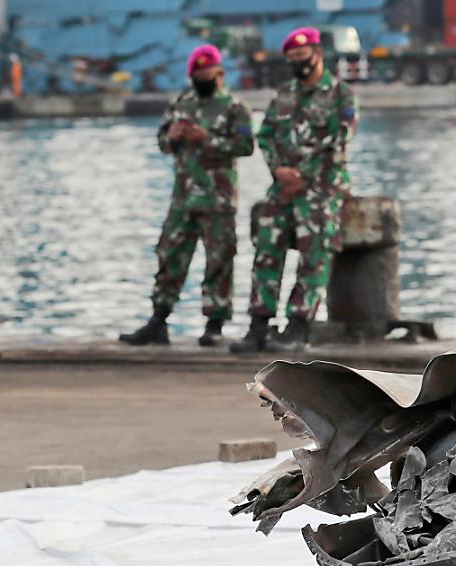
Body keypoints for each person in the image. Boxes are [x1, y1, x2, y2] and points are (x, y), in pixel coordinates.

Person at [231, 27, 359, 353]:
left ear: (317, 54)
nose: (297, 64)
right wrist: (279, 171)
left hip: (322, 187)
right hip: (285, 186)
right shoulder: (284, 94)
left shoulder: (340, 94)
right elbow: (266, 136)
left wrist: (302, 174)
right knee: (266, 244)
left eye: (301, 57)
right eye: (291, 59)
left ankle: (298, 325)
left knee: (314, 249)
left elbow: (339, 138)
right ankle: (259, 323)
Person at [120, 44, 254, 347]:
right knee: (169, 254)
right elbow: (161, 142)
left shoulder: (235, 107)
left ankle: (214, 323)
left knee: (219, 260)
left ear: (219, 73)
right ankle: (158, 320)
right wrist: (173, 137)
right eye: (197, 75)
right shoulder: (181, 103)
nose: (202, 79)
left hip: (218, 199)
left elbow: (246, 146)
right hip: (183, 197)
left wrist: (207, 140)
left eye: (207, 74)